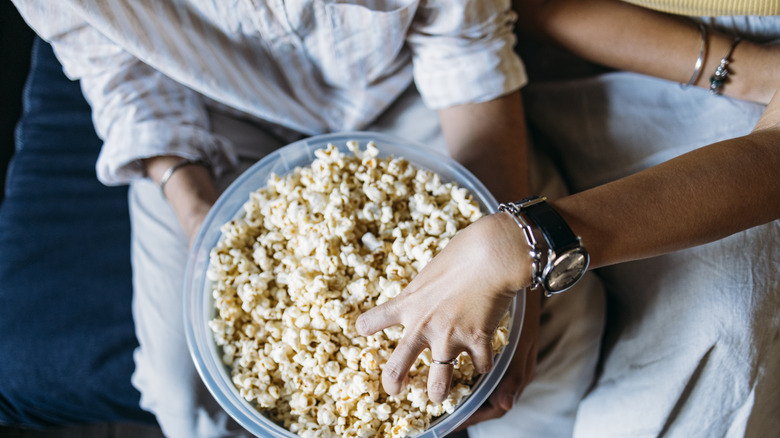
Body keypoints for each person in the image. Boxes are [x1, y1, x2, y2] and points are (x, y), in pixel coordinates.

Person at [11, 1, 610, 437]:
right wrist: (198, 210)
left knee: (557, 326)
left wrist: (506, 243)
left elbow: (466, 46)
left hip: (403, 89)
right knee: (179, 390)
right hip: (206, 124)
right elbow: (115, 64)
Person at [357, 1, 780, 436]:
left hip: (744, 142)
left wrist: (521, 242)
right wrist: (739, 66)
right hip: (598, 42)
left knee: (720, 330)